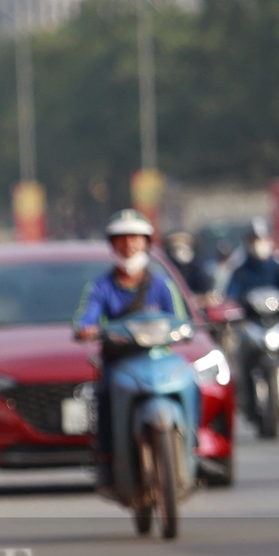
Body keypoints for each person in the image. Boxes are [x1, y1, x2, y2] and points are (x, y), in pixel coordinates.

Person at [72, 208, 181, 489]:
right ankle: (108, 462)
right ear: (112, 244)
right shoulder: (101, 287)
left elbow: (181, 320)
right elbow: (86, 320)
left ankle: (191, 445)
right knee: (105, 398)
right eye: (121, 239)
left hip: (159, 360)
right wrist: (88, 329)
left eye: (135, 238)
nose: (129, 244)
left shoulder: (162, 285)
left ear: (147, 242)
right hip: (120, 363)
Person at [222, 217, 279, 307]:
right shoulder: (241, 272)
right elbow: (230, 299)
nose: (260, 244)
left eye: (264, 239)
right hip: (249, 319)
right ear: (248, 242)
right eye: (255, 240)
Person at [162, 229, 214, 296]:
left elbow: (205, 289)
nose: (182, 251)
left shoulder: (197, 267)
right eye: (177, 247)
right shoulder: (167, 268)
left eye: (186, 246)